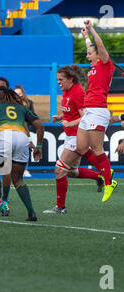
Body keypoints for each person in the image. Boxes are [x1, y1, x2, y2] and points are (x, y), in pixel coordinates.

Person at [43, 65, 108, 214]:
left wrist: (70, 123)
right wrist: (61, 117)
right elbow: (72, 111)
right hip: (70, 135)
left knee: (59, 170)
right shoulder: (67, 91)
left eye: (61, 80)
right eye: (57, 80)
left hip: (76, 135)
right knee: (71, 171)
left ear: (71, 79)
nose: (58, 83)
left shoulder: (78, 92)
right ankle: (100, 177)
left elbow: (85, 115)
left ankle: (60, 207)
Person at [0, 86, 44, 221]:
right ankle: (31, 212)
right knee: (18, 179)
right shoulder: (22, 108)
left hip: (4, 135)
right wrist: (39, 147)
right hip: (22, 138)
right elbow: (40, 126)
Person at [77, 20, 117, 202]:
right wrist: (86, 37)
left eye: (89, 53)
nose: (87, 56)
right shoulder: (94, 68)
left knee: (97, 148)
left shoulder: (105, 64)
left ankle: (109, 182)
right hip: (88, 110)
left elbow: (99, 45)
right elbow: (92, 46)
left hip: (98, 110)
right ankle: (106, 171)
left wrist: (91, 29)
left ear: (98, 55)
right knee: (81, 147)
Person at [14, 84, 35, 178]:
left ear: (22, 94)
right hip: (13, 129)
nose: (17, 95)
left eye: (19, 93)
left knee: (25, 149)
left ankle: (25, 169)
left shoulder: (29, 103)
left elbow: (33, 116)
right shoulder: (10, 103)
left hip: (25, 129)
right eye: (15, 93)